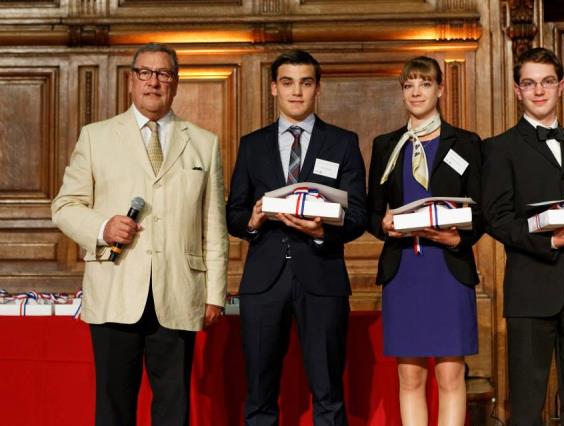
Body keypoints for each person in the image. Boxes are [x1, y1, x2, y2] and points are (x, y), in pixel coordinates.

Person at [51, 42, 229, 426]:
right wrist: (102, 226)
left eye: (164, 74)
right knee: (114, 407)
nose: (154, 82)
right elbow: (64, 207)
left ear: (176, 83)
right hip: (116, 287)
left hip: (180, 292)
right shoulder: (96, 137)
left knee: (173, 408)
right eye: (145, 73)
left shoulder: (204, 142)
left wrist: (214, 292)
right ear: (131, 81)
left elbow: (213, 225)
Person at [226, 49, 367, 426]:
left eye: (306, 83)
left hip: (322, 276)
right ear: (274, 88)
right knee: (259, 395)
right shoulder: (251, 144)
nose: (296, 92)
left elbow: (358, 215)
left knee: (328, 396)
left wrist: (323, 232)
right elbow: (234, 214)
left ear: (317, 89)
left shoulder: (342, 142)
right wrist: (253, 220)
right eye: (287, 83)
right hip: (263, 280)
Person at [482, 47, 564, 425]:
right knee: (526, 402)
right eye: (529, 83)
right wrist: (551, 240)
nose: (539, 90)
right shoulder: (499, 149)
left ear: (561, 86)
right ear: (517, 90)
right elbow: (498, 219)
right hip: (530, 288)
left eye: (547, 82)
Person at [367, 56, 483, 425]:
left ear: (440, 90)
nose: (416, 91)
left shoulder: (465, 143)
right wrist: (384, 223)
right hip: (405, 269)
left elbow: (481, 212)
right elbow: (370, 210)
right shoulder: (386, 145)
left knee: (450, 373)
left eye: (425, 83)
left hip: (447, 268)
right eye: (409, 85)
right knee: (410, 375)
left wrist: (455, 237)